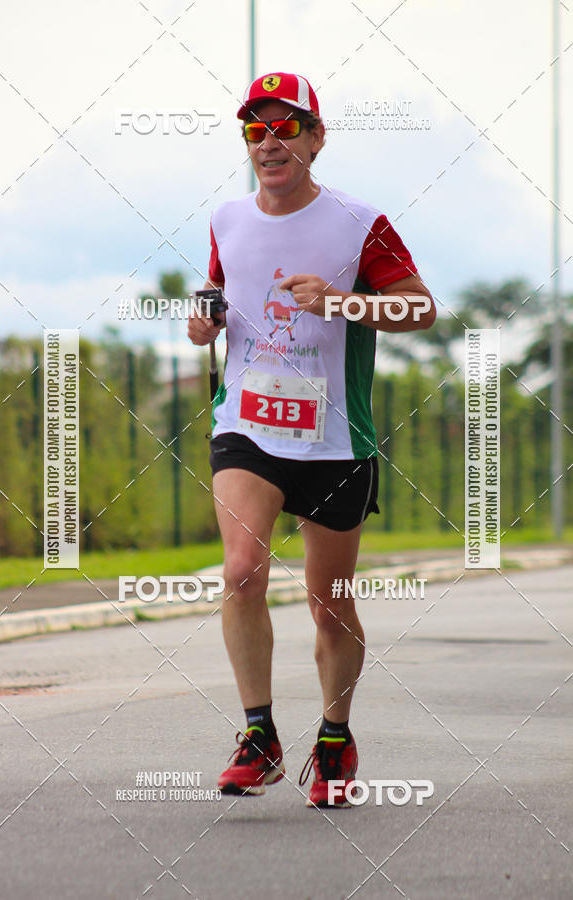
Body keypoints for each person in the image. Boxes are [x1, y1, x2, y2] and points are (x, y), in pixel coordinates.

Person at [187, 72, 435, 808]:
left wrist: (344, 301)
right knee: (240, 571)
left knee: (329, 604)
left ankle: (334, 735)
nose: (270, 142)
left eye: (286, 127)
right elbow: (216, 295)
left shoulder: (361, 224)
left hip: (334, 438)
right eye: (255, 130)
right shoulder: (226, 218)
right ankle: (258, 735)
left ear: (316, 138)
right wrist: (204, 323)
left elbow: (419, 309)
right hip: (248, 424)